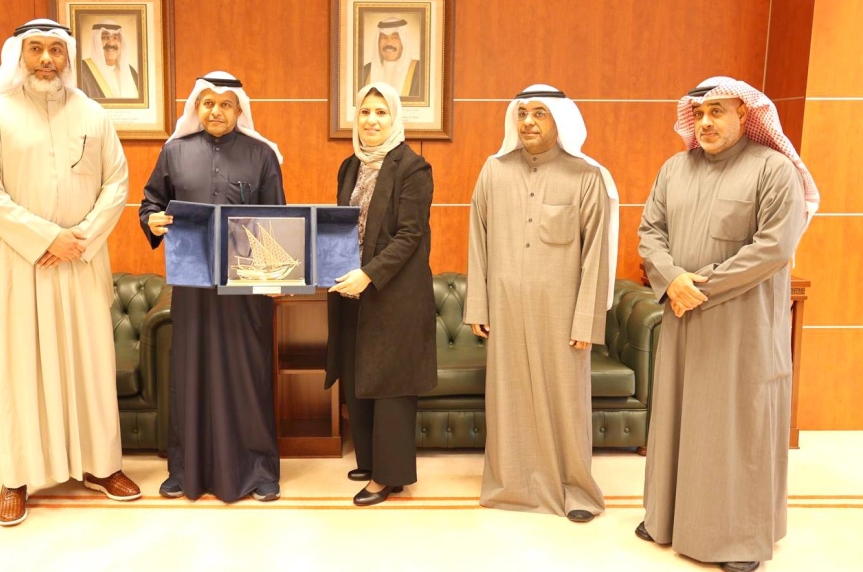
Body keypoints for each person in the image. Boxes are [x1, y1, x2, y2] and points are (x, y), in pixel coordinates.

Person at [637, 77, 819, 572]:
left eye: (717, 111)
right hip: (683, 320)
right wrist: (672, 279)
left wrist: (699, 288)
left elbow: (774, 248)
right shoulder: (675, 168)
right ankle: (666, 517)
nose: (706, 122)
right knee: (677, 417)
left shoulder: (773, 169)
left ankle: (738, 537)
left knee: (736, 426)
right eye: (699, 113)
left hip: (742, 326)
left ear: (745, 114)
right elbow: (650, 232)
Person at [0, 18, 138, 527]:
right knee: (22, 371)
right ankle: (16, 478)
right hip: (25, 264)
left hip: (82, 261)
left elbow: (117, 183)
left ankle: (102, 467)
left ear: (68, 57)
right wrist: (46, 238)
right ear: (18, 55)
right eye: (36, 49)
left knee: (91, 365)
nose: (46, 60)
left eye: (55, 50)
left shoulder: (93, 114)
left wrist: (78, 238)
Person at [465, 85, 620, 522]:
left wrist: (586, 321)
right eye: (521, 113)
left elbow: (596, 254)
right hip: (506, 308)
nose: (528, 122)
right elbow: (477, 240)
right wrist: (478, 305)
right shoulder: (493, 171)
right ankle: (511, 487)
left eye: (539, 113)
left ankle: (576, 492)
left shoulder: (586, 176)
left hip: (562, 312)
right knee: (508, 397)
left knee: (566, 403)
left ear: (560, 119)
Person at [139, 71, 286, 503]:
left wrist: (276, 279)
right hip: (193, 286)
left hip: (246, 289)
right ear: (196, 107)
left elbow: (277, 219)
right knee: (191, 373)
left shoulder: (262, 155)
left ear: (239, 109)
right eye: (207, 103)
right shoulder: (174, 152)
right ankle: (185, 470)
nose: (215, 111)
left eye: (225, 104)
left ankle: (259, 469)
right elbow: (151, 202)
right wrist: (151, 220)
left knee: (248, 375)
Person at [326, 82, 437, 506]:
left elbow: (410, 235)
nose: (371, 121)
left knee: (391, 384)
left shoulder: (413, 167)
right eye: (365, 112)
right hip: (353, 290)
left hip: (394, 293)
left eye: (381, 112)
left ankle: (388, 477)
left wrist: (369, 274)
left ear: (395, 118)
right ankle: (371, 459)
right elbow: (343, 226)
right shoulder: (350, 166)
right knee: (360, 375)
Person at [361, 17, 422, 98]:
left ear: (403, 41)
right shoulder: (366, 71)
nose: (389, 43)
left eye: (395, 37)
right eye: (383, 37)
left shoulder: (419, 70)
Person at [79, 21, 140, 99]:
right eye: (105, 37)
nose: (111, 43)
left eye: (116, 38)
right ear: (96, 41)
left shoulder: (131, 73)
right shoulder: (82, 70)